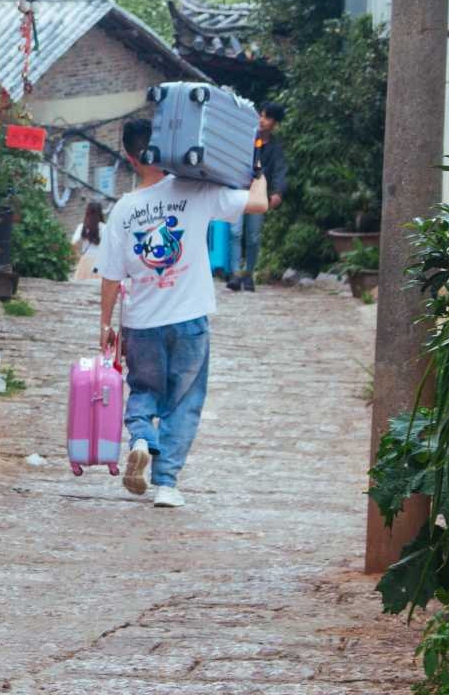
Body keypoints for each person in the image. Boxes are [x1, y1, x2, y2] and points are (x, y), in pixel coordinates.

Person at [96, 118, 268, 507]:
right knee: (184, 400)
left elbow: (110, 275)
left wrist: (106, 325)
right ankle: (167, 485)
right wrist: (258, 169)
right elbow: (257, 202)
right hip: (189, 320)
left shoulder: (124, 209)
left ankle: (141, 438)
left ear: (129, 157)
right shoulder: (196, 190)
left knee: (143, 390)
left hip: (141, 323)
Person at [227, 102, 287, 292]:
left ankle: (249, 274)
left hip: (258, 194)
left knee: (253, 237)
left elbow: (279, 169)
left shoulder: (276, 147)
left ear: (275, 123)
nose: (262, 120)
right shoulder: (247, 139)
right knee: (235, 232)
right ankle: (235, 274)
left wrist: (278, 192)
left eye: (267, 117)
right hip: (238, 190)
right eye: (260, 115)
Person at [71, 200, 106, 280]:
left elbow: (73, 243)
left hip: (85, 261)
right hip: (98, 262)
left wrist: (76, 256)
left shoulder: (82, 227)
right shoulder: (104, 228)